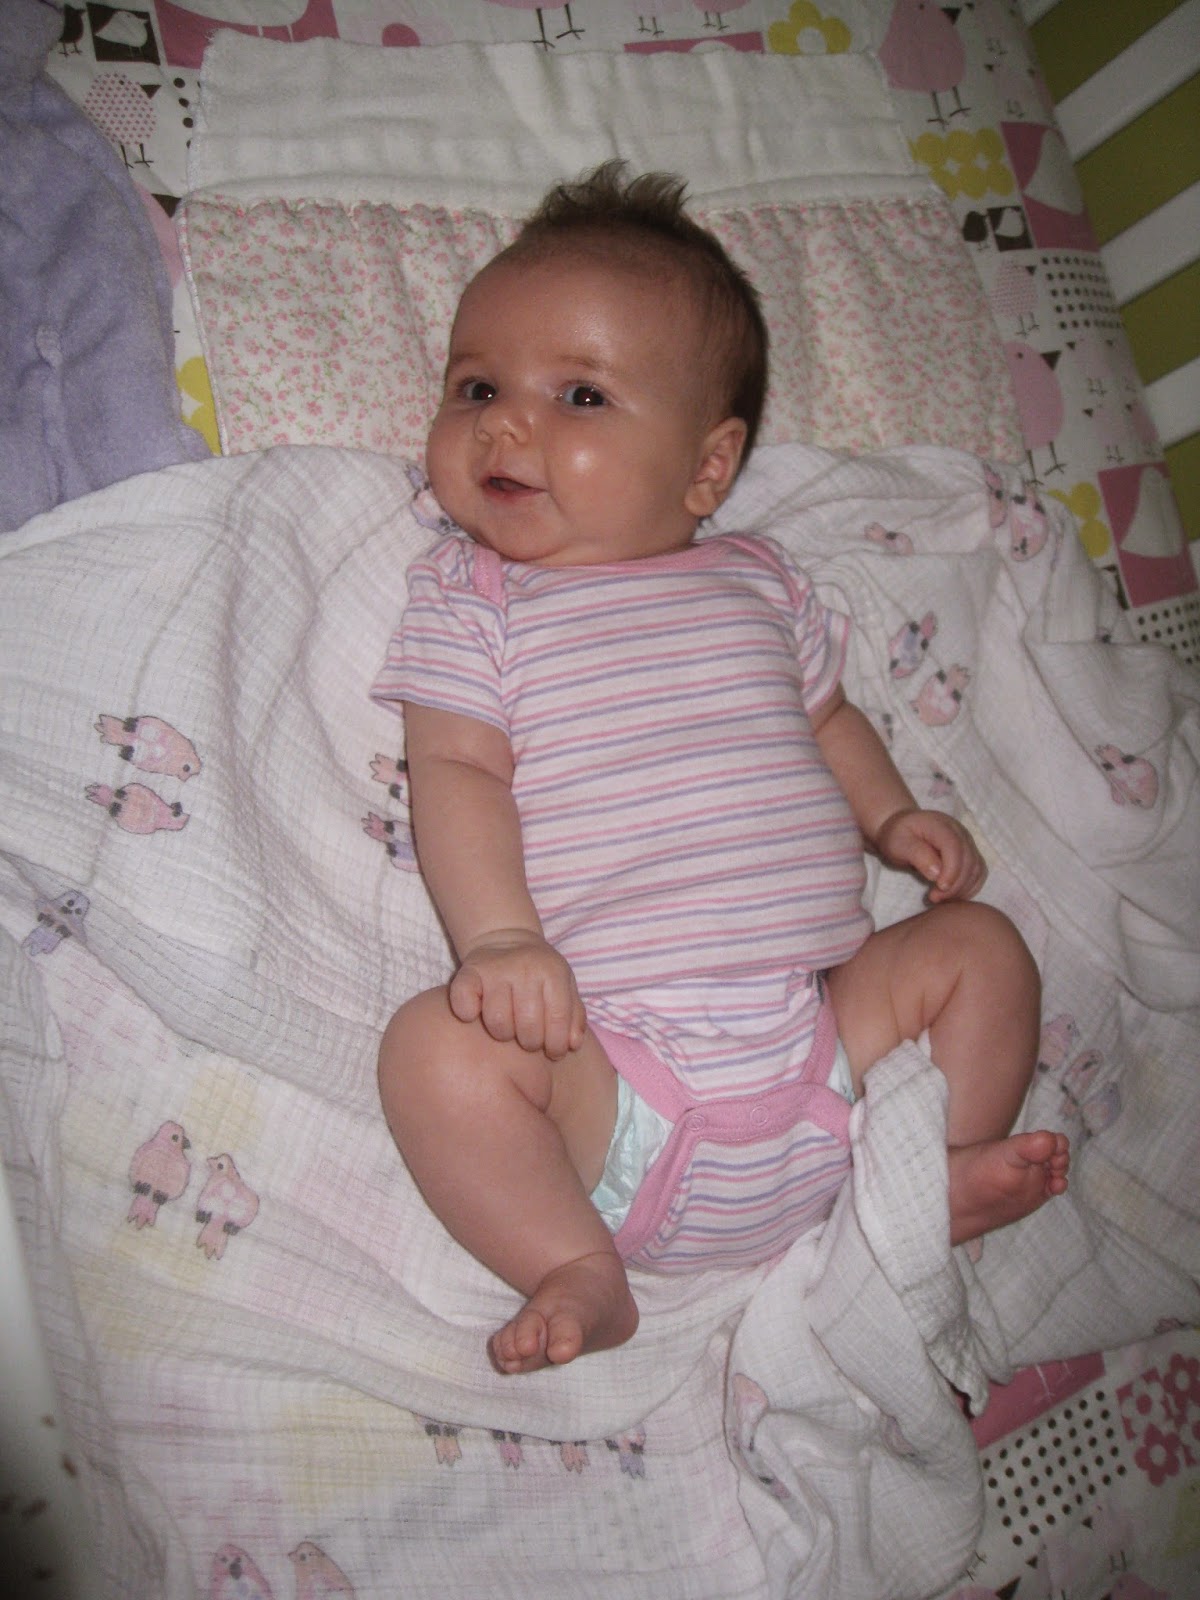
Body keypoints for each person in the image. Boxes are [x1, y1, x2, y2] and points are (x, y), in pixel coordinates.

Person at [372, 160, 1069, 1376]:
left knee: (982, 949)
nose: (506, 422)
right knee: (435, 1050)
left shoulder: (762, 580)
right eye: (476, 386)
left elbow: (828, 716)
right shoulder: (474, 597)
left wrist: (889, 814)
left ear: (707, 467)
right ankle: (572, 1259)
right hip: (613, 1073)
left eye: (579, 394)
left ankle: (928, 1174)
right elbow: (457, 772)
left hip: (825, 1046)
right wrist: (500, 940)